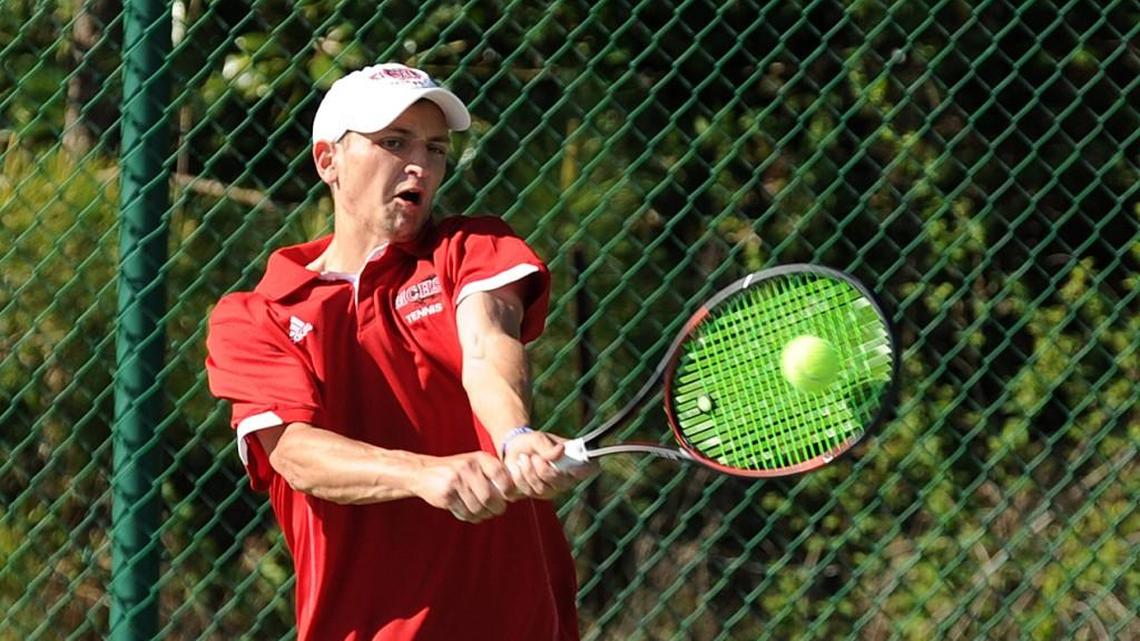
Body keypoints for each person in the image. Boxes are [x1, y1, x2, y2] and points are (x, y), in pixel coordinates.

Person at [205, 62, 592, 641]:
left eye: (436, 148)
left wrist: (515, 437)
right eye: (392, 142)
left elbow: (487, 342)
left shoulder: (471, 248)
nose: (421, 164)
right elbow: (294, 453)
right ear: (327, 160)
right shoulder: (256, 317)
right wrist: (424, 476)